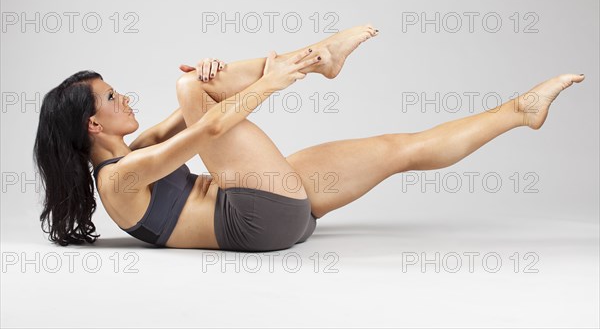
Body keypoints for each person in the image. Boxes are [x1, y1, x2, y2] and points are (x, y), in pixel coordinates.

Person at [33, 24, 585, 252]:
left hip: (267, 202)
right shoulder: (120, 180)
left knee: (401, 147)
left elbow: (192, 119)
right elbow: (209, 127)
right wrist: (270, 81)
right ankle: (321, 59)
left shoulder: (131, 154)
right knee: (188, 86)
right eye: (111, 98)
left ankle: (521, 110)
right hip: (253, 218)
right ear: (92, 125)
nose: (124, 97)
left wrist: (214, 79)